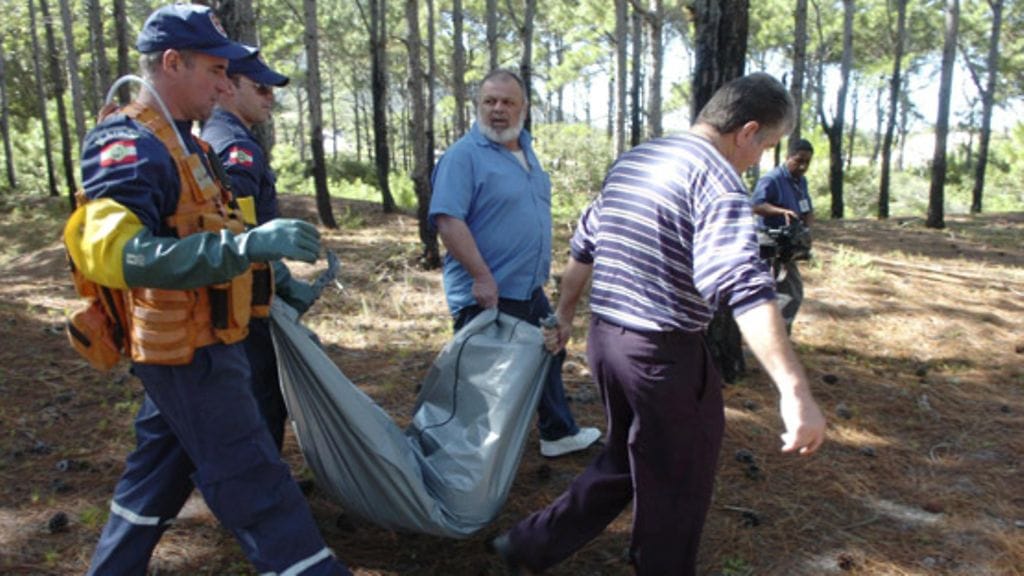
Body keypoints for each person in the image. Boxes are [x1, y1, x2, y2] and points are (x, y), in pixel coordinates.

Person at [489, 73, 827, 576]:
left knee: (625, 457)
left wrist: (564, 315)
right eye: (767, 146)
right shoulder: (719, 182)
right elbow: (743, 285)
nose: (760, 160)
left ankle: (528, 545)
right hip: (661, 354)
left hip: (606, 341)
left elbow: (585, 244)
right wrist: (794, 389)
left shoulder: (636, 159)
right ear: (748, 131)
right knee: (679, 477)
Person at [65, 5, 349, 575]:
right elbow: (119, 256)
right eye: (215, 72)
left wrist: (274, 280)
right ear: (172, 63)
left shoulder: (186, 143)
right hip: (186, 351)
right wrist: (245, 250)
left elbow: (217, 229)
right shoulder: (128, 145)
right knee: (255, 482)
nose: (224, 87)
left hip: (206, 340)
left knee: (157, 474)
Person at [429, 68, 601, 458]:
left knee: (549, 351)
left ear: (523, 108)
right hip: (486, 293)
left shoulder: (526, 151)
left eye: (507, 102)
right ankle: (465, 458)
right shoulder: (463, 156)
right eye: (489, 102)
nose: (498, 110)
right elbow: (448, 220)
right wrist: (481, 276)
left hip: (527, 288)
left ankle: (557, 432)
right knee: (484, 379)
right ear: (477, 107)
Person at [201, 52, 316, 450]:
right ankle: (262, 487)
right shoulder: (235, 146)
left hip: (240, 292)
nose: (269, 97)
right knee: (261, 392)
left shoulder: (223, 136)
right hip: (244, 297)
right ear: (228, 86)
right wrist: (279, 278)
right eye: (260, 87)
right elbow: (238, 225)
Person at [752, 138, 815, 334]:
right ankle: (774, 335)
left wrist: (807, 228)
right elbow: (756, 205)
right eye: (799, 160)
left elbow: (806, 207)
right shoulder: (771, 180)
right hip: (770, 242)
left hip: (790, 243)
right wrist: (780, 212)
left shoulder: (801, 181)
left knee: (789, 291)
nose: (803, 166)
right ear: (788, 157)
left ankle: (776, 333)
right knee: (786, 292)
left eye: (807, 162)